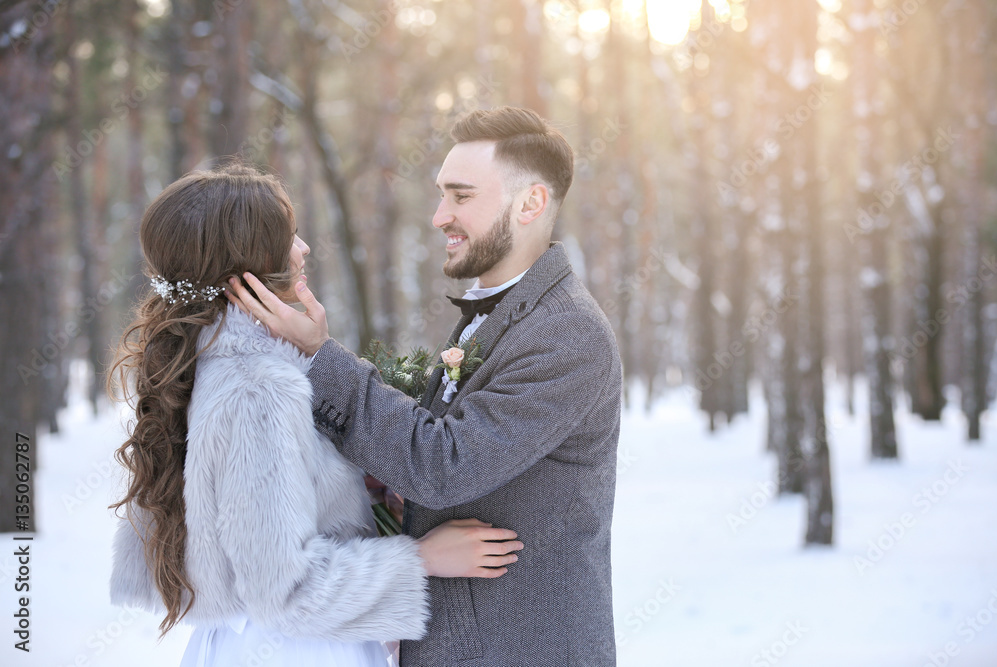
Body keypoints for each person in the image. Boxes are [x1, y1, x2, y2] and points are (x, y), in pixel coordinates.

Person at [227, 107, 623, 666]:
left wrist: (320, 355)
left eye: (461, 196)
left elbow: (444, 465)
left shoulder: (565, 334)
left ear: (530, 203)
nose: (440, 216)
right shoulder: (500, 314)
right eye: (441, 195)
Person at [107, 163, 523, 667]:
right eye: (289, 237)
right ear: (248, 261)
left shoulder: (208, 359)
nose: (304, 249)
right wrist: (424, 558)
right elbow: (284, 590)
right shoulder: (257, 385)